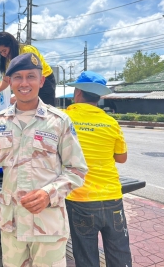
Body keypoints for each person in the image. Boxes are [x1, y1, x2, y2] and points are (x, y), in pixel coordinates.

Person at [0, 53, 88, 267]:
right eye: (18, 77)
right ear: (10, 83)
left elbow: (76, 170)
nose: (24, 83)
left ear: (41, 81)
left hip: (47, 225)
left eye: (31, 76)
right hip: (11, 224)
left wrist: (47, 193)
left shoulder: (59, 121)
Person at [64, 71, 132, 267]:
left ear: (77, 93)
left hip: (80, 198)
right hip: (112, 196)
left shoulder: (65, 118)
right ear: (98, 97)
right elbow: (122, 158)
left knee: (86, 257)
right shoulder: (111, 122)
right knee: (120, 253)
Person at [0, 31, 57, 106]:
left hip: (45, 81)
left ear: (11, 45)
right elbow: (6, 80)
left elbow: (33, 76)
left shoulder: (27, 51)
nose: (3, 54)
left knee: (45, 111)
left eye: (4, 50)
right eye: (0, 52)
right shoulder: (7, 61)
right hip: (28, 83)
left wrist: (20, 96)